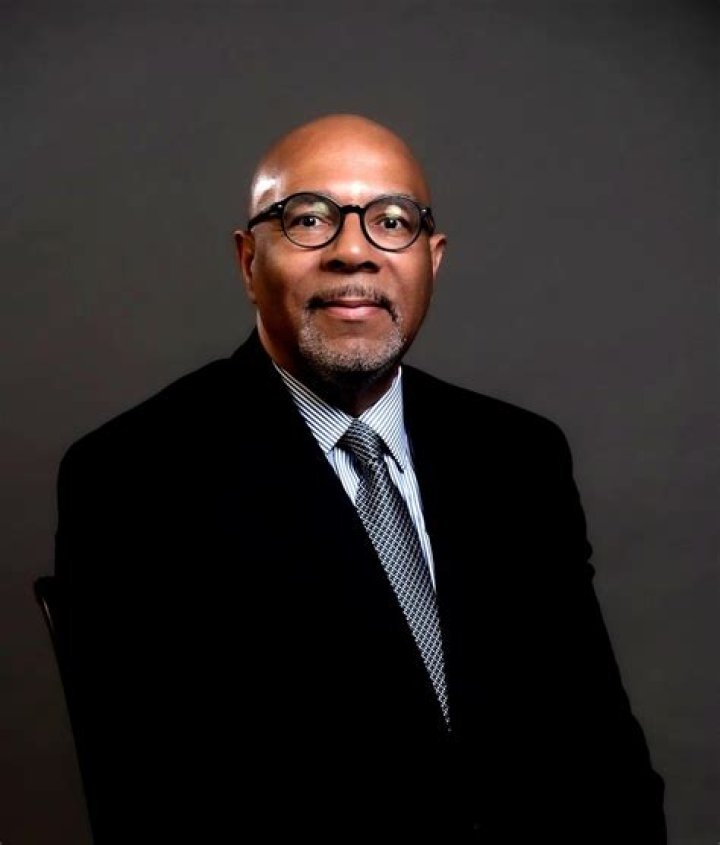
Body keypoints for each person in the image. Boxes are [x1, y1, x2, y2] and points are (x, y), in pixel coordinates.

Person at [53, 113, 667, 843]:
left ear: (432, 260)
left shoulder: (519, 457)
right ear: (248, 260)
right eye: (308, 219)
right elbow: (154, 803)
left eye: (392, 221)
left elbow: (605, 757)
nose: (353, 252)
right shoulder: (134, 476)